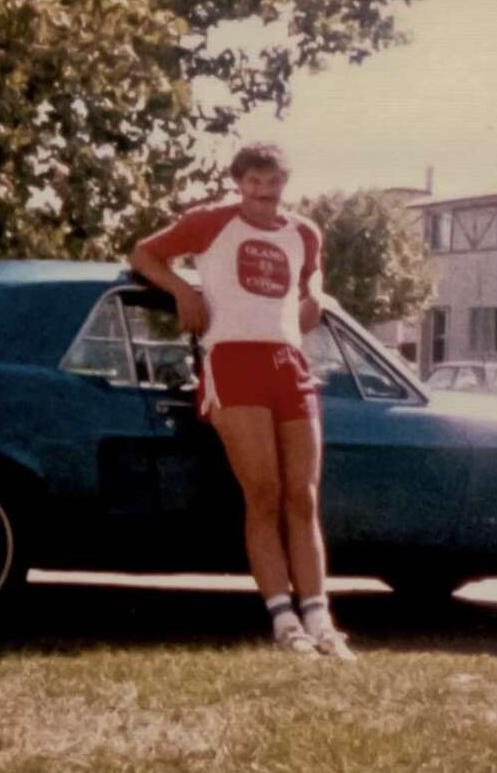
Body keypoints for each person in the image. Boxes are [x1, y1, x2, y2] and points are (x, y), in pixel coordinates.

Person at [129, 142, 354, 660]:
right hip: (232, 362)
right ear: (239, 182)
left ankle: (320, 619)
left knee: (304, 496)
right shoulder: (211, 221)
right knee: (264, 493)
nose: (262, 191)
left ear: (284, 182)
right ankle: (284, 621)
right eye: (253, 181)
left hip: (290, 365)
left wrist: (315, 292)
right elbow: (143, 254)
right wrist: (183, 291)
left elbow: (311, 271)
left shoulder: (304, 231)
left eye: (272, 181)